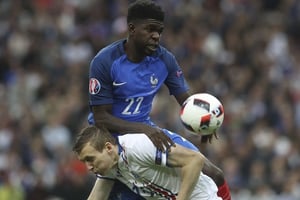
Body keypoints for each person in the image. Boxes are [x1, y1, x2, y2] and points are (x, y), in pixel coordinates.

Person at [88, 0, 231, 199]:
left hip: (146, 133)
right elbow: (101, 118)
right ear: (132, 28)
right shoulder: (105, 61)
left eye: (159, 31)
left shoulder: (165, 59)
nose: (156, 35)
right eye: (150, 29)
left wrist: (204, 122)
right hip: (112, 140)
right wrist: (146, 129)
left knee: (214, 174)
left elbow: (187, 101)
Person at [73, 125, 222, 200]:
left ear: (108, 148)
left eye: (90, 159)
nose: (88, 167)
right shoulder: (110, 166)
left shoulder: (137, 146)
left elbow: (195, 160)